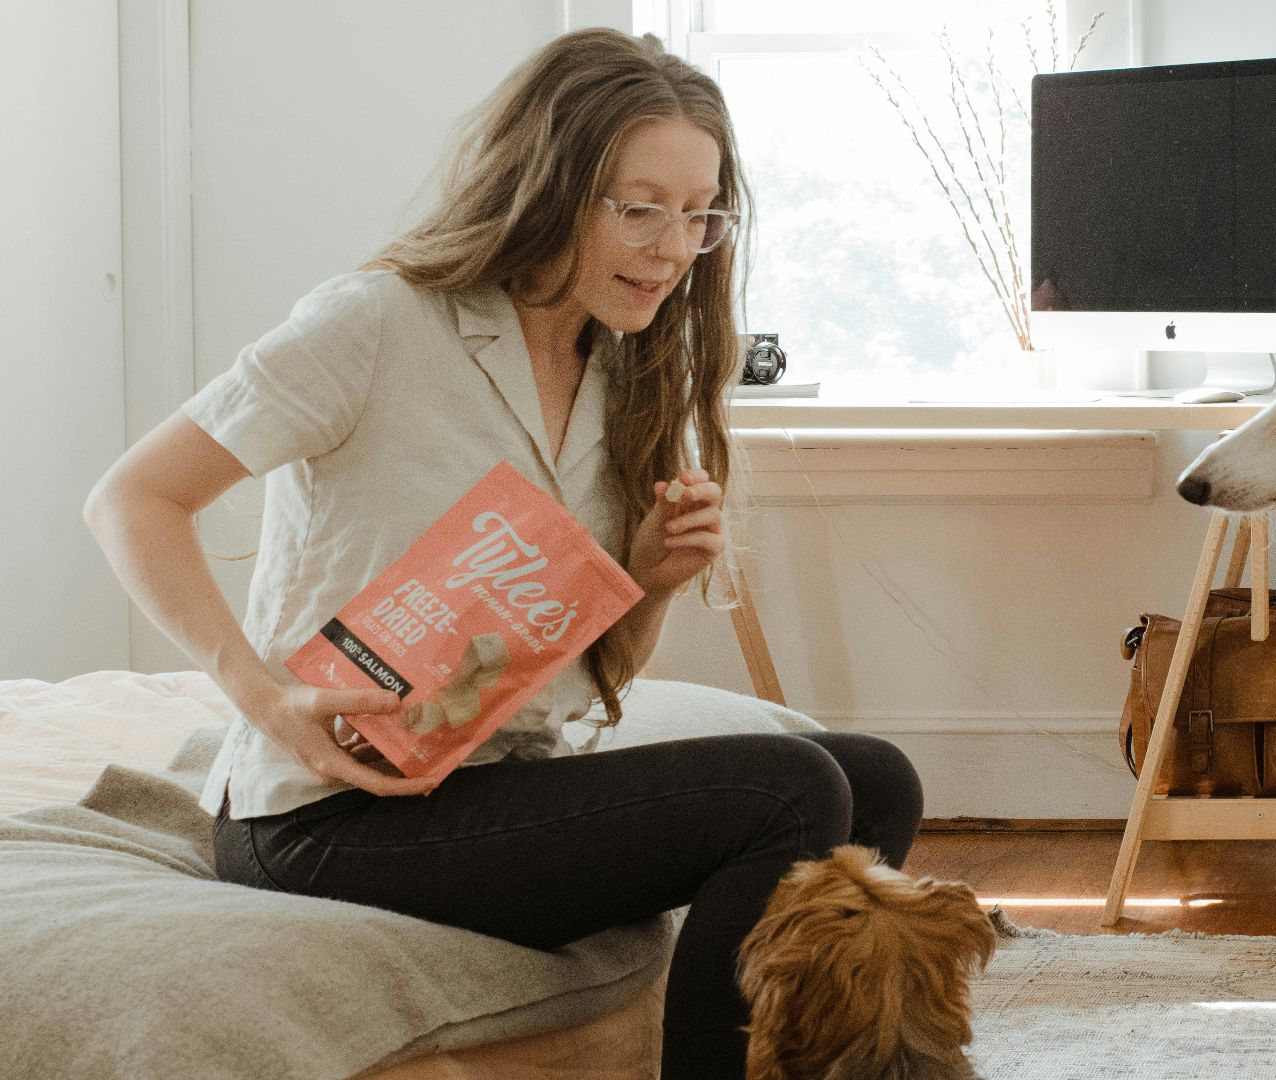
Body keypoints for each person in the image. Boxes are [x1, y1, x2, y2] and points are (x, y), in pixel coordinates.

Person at [82, 29, 922, 1080]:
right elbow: (133, 499)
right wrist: (259, 694)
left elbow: (589, 677)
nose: (674, 245)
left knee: (875, 782)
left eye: (700, 214)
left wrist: (651, 578)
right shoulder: (379, 322)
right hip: (331, 811)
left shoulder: (624, 377)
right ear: (551, 185)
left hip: (494, 780)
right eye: (638, 206)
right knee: (789, 788)